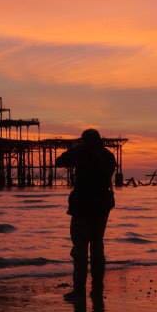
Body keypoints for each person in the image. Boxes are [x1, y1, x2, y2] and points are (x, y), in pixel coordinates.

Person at [56, 129, 117, 300]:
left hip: (83, 205)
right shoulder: (108, 155)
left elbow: (60, 161)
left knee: (80, 249)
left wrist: (75, 148)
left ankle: (79, 291)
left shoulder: (81, 152)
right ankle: (97, 289)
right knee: (97, 246)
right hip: (102, 205)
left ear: (84, 141)